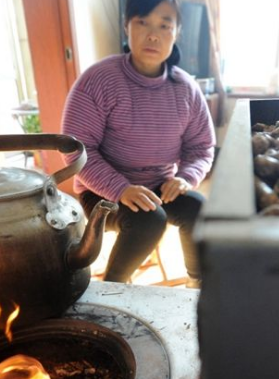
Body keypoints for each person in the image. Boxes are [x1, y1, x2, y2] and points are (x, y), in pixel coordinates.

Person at [61, 0, 215, 287]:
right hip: (102, 191)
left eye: (164, 25)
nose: (153, 34)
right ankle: (114, 288)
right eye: (142, 22)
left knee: (198, 207)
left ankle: (198, 285)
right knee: (149, 220)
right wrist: (120, 189)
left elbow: (201, 148)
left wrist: (185, 178)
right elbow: (77, 152)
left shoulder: (186, 89)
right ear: (126, 26)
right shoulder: (98, 80)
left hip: (158, 184)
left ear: (176, 33)